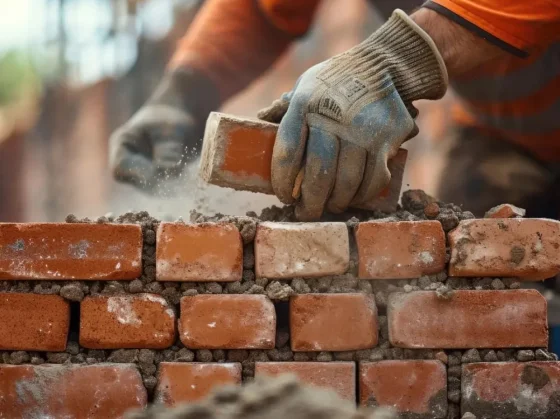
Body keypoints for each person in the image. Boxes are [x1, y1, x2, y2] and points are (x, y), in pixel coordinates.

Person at [109, 0, 560, 221]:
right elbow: (265, 9)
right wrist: (185, 94)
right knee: (478, 305)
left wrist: (389, 63)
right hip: (508, 136)